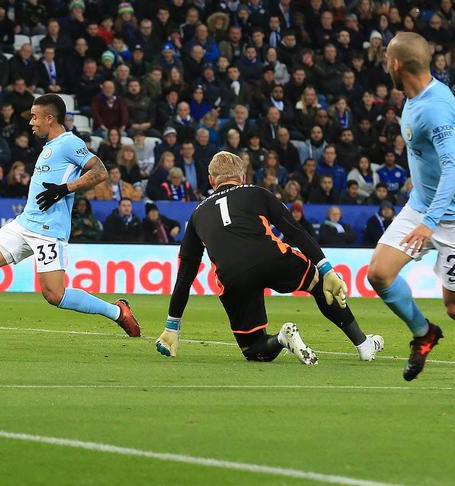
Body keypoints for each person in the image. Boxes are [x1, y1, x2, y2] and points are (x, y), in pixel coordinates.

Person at [0, 94, 140, 337]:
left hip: (50, 230)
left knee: (55, 295)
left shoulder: (70, 142)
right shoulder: (49, 145)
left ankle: (117, 312)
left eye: (34, 117)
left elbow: (100, 171)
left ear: (50, 118)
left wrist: (65, 189)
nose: (31, 122)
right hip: (25, 224)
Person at [366, 32, 455, 397]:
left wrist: (429, 223)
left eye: (385, 60)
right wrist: (423, 214)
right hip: (423, 205)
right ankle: (424, 333)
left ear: (396, 65)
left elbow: (453, 169)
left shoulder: (435, 110)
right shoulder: (417, 96)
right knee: (378, 273)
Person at [156, 151, 384, 364]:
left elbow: (185, 276)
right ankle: (364, 345)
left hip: (232, 276)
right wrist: (327, 269)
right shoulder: (256, 192)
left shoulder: (197, 215)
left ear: (211, 180)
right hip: (271, 258)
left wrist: (172, 327)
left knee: (254, 350)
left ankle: (281, 339)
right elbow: (295, 231)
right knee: (319, 283)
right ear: (242, 177)